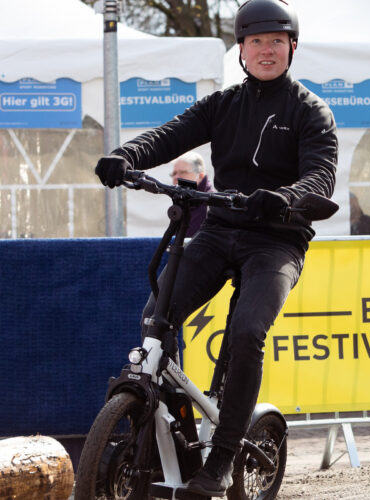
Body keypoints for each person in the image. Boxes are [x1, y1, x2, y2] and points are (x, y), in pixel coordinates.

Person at [94, 0, 337, 496]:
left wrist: (285, 198)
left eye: (275, 41)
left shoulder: (311, 112)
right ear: (241, 50)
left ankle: (223, 456)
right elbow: (171, 134)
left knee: (247, 332)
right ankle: (175, 425)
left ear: (292, 47)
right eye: (255, 42)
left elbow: (321, 176)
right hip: (220, 231)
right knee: (156, 317)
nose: (265, 51)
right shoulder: (223, 104)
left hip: (276, 240)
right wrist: (125, 155)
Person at [171, 151, 215, 237]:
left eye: (183, 172)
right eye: (174, 173)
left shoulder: (213, 205)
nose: (176, 177)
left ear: (200, 176)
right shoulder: (181, 202)